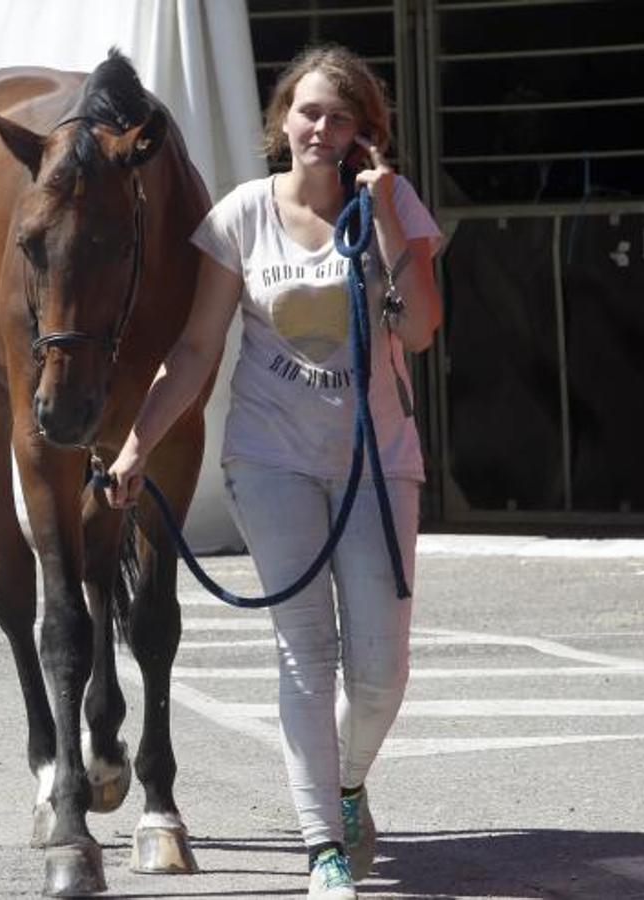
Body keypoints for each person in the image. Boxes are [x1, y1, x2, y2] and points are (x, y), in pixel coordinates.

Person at [105, 43, 443, 900]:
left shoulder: (392, 205)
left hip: (377, 456)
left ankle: (349, 782)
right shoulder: (240, 216)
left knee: (382, 667)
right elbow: (193, 349)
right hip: (271, 459)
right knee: (306, 654)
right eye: (307, 112)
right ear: (281, 120)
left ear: (365, 134)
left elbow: (422, 330)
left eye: (339, 117)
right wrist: (139, 445)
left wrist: (386, 214)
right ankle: (321, 846)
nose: (320, 129)